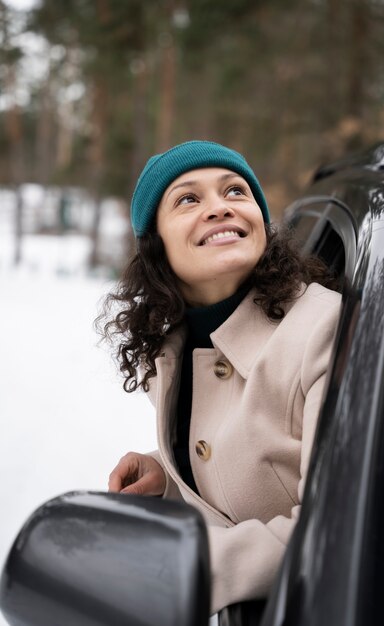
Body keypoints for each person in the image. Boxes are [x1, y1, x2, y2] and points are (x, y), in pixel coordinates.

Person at [101, 140, 341, 615]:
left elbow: (336, 530)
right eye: (188, 199)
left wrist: (183, 567)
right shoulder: (172, 347)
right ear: (157, 246)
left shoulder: (323, 330)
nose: (219, 208)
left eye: (235, 191)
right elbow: (256, 453)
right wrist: (167, 476)